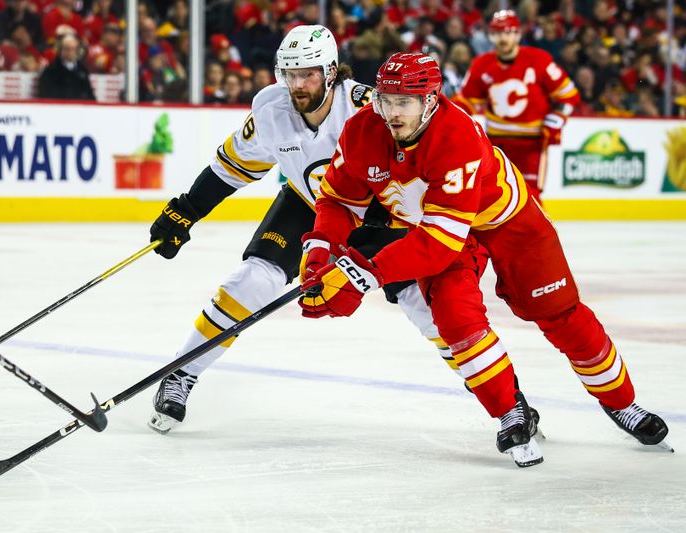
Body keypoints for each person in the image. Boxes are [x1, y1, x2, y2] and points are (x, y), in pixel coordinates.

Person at [299, 51, 671, 466]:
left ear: (431, 99)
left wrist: (367, 273)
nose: (391, 113)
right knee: (456, 320)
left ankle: (620, 402)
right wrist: (318, 253)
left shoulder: (456, 135)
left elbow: (439, 244)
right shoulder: (360, 130)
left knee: (558, 312)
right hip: (436, 228)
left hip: (508, 222)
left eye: (403, 102)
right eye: (385, 100)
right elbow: (337, 200)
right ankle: (510, 410)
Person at [145, 25, 470, 434]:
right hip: (308, 203)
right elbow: (232, 165)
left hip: (376, 213)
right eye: (290, 74)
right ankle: (181, 373)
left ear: (332, 71)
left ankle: (500, 396)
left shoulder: (369, 107)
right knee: (252, 281)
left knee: (423, 307)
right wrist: (188, 210)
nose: (298, 85)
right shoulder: (269, 108)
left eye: (308, 74)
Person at [454, 10, 580, 204]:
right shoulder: (481, 64)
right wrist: (448, 116)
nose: (503, 38)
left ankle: (538, 235)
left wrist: (556, 119)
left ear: (518, 34)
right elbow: (468, 101)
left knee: (531, 197)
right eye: (497, 33)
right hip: (495, 143)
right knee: (491, 196)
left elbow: (568, 95)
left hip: (531, 144)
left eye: (508, 32)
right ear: (490, 35)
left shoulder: (540, 60)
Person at [37, 34, 95, 100]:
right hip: (58, 107)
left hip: (79, 108)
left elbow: (89, 94)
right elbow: (45, 94)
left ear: (77, 51)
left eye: (73, 49)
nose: (70, 52)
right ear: (60, 49)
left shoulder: (82, 71)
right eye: (67, 49)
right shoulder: (50, 71)